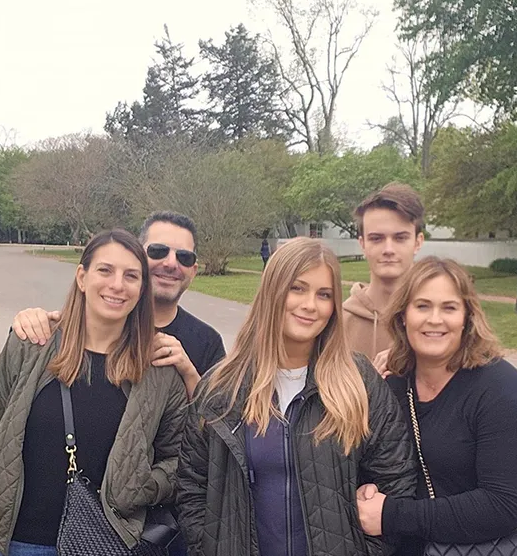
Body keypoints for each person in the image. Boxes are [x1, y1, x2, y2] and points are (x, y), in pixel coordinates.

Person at [176, 237, 418, 556]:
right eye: (297, 288)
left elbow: (397, 481)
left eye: (324, 294)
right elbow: (192, 487)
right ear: (273, 292)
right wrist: (210, 547)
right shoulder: (222, 386)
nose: (309, 305)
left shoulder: (358, 380)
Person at [0, 229, 188, 556]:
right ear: (82, 277)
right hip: (17, 542)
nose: (117, 285)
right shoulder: (31, 346)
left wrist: (143, 485)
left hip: (106, 544)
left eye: (131, 276)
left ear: (142, 289)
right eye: (105, 270)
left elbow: (181, 459)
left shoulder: (157, 367)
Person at [355, 256, 517, 555]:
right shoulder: (392, 386)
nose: (434, 319)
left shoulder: (500, 389)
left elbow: (506, 504)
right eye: (422, 306)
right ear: (403, 315)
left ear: (467, 318)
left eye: (449, 308)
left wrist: (392, 516)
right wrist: (365, 491)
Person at [11, 212, 225, 396]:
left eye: (184, 257)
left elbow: (219, 429)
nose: (170, 263)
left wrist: (189, 374)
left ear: (194, 270)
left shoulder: (207, 343)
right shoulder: (99, 325)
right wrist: (30, 324)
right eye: (158, 251)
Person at [342, 183, 425, 370]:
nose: (388, 249)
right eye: (376, 238)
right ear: (362, 244)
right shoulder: (338, 324)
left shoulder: (439, 321)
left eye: (400, 238)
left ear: (418, 242)